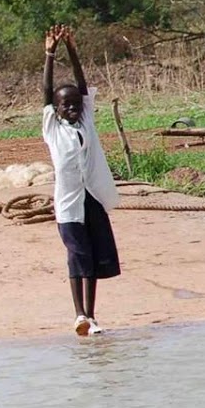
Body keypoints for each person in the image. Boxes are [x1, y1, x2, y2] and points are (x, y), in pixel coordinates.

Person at [42, 25, 120, 336]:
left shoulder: (85, 120)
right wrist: (50, 53)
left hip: (92, 197)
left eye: (76, 104)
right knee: (78, 255)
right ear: (57, 110)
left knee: (96, 255)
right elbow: (46, 92)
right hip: (68, 203)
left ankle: (92, 316)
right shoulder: (52, 128)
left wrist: (72, 48)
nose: (73, 108)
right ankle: (78, 315)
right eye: (67, 105)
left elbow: (83, 85)